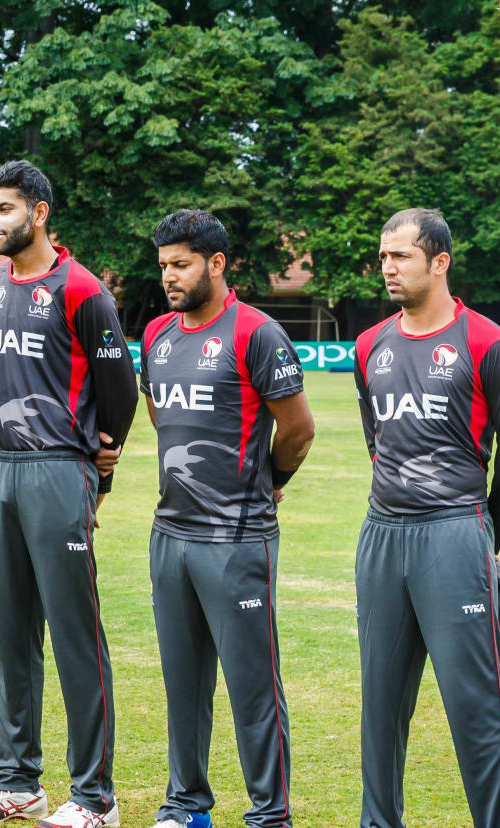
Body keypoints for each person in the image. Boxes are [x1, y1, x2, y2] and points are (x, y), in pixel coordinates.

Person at [0, 161, 139, 828]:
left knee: (73, 637)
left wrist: (102, 460)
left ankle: (95, 796)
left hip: (59, 468)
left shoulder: (82, 288)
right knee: (12, 634)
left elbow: (122, 387)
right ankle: (18, 782)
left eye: (4, 209)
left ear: (38, 212)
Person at [351, 208, 500, 828]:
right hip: (382, 535)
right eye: (383, 256)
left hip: (454, 531)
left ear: (439, 262)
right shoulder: (368, 345)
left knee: (473, 704)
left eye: (400, 256)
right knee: (380, 703)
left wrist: (479, 536)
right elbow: (377, 440)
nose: (388, 267)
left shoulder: (488, 343)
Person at [139, 210, 313, 828]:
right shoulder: (158, 334)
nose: (169, 276)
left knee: (251, 687)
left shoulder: (257, 333)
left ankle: (270, 814)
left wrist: (268, 483)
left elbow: (297, 429)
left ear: (216, 264)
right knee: (183, 684)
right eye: (163, 265)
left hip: (236, 539)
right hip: (171, 536)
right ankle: (185, 806)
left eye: (180, 264)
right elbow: (162, 414)